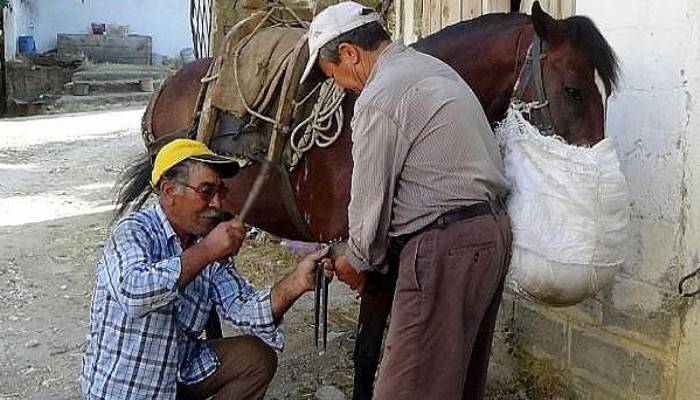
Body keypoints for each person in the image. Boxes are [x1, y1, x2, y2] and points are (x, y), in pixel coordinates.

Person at [300, 3, 513, 399]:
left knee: (406, 387)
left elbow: (369, 203)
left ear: (350, 53)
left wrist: (355, 259)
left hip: (445, 247)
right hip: (490, 234)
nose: (342, 87)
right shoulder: (431, 68)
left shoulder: (379, 97)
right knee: (457, 378)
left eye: (335, 76)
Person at [81, 139, 333, 400]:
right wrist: (207, 251)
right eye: (205, 192)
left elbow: (243, 308)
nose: (218, 204)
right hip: (127, 387)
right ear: (169, 192)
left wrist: (297, 282)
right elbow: (134, 294)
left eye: (220, 192)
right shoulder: (133, 231)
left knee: (255, 359)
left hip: (178, 369)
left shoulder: (205, 241)